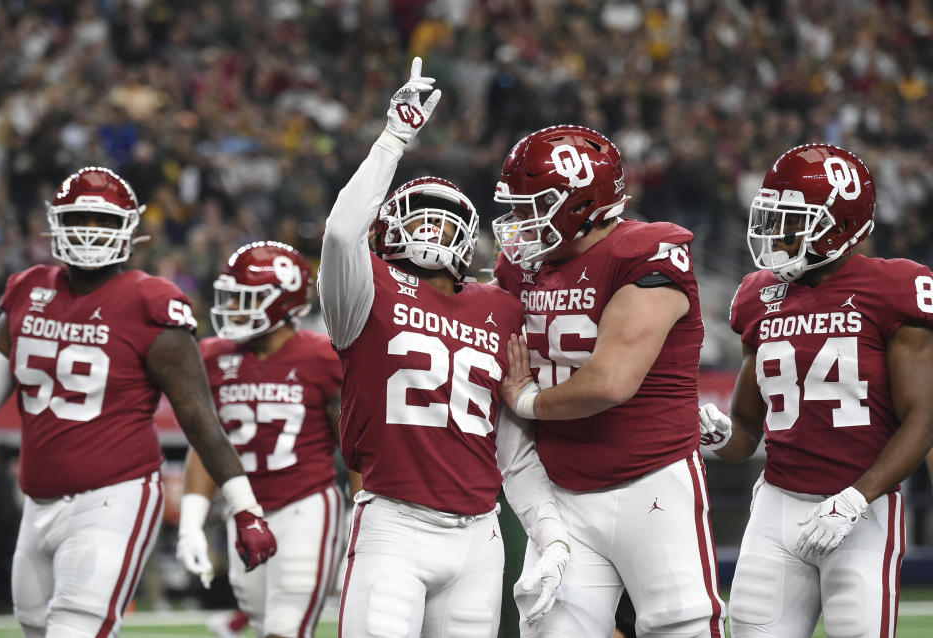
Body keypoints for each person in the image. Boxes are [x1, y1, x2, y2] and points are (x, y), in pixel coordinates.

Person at [319, 57, 570, 638]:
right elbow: (338, 233)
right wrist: (394, 137)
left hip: (479, 532)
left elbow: (514, 441)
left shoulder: (500, 305)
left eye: (446, 218)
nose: (432, 228)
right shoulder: (366, 289)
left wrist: (549, 532)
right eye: (420, 216)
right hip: (393, 524)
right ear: (385, 230)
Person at [0, 167, 277, 637]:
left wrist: (245, 507)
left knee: (75, 629)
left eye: (104, 222)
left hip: (113, 497)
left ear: (129, 229)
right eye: (81, 219)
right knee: (33, 625)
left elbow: (200, 421)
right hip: (37, 501)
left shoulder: (150, 303)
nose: (91, 233)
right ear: (56, 222)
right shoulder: (27, 291)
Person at [493, 125, 725, 637]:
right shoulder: (521, 266)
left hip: (650, 480)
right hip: (561, 490)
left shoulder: (645, 253)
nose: (518, 222)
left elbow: (610, 382)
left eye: (532, 205)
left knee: (680, 625)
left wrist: (527, 401)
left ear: (579, 204)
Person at [698, 143, 933, 637]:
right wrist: (716, 435)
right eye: (774, 218)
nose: (777, 235)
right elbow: (745, 431)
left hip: (863, 511)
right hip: (777, 507)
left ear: (841, 226)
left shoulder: (894, 287)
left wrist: (855, 498)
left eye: (793, 220)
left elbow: (923, 418)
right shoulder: (758, 296)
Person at [176, 241, 348, 638]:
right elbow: (205, 446)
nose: (232, 308)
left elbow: (354, 446)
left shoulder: (323, 355)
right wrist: (191, 524)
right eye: (232, 297)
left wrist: (362, 516)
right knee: (259, 622)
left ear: (282, 302)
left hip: (305, 504)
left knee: (286, 626)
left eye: (245, 298)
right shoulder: (213, 356)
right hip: (243, 510)